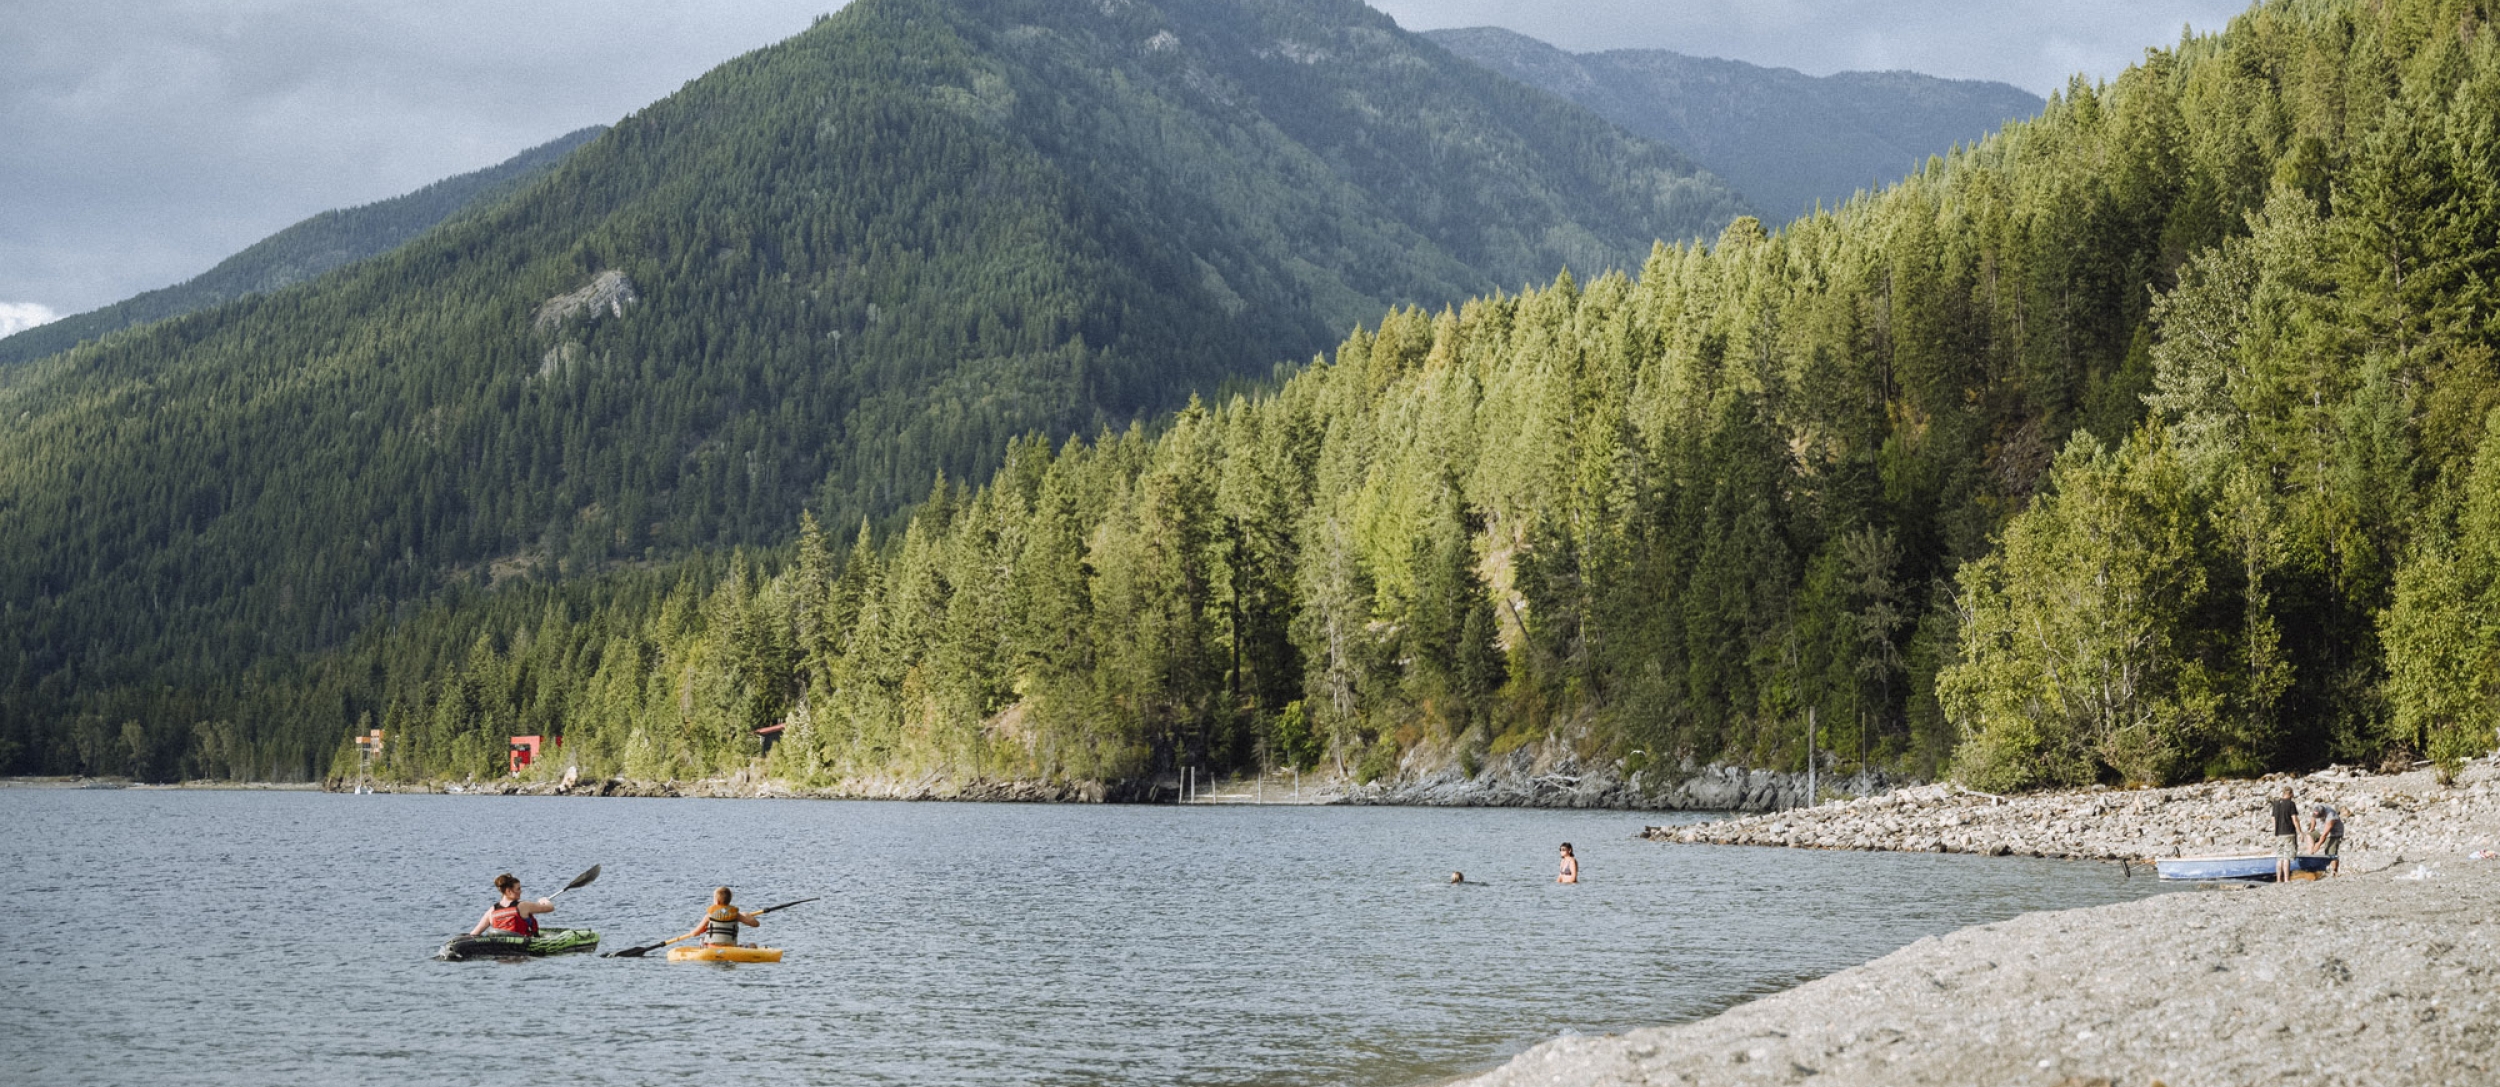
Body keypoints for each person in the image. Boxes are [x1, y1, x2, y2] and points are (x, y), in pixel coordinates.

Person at [469, 873, 555, 936]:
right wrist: (544, 900)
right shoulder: (523, 906)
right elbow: (550, 908)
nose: (521, 891)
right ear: (509, 891)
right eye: (518, 889)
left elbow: (474, 933)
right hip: (522, 952)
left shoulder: (492, 911)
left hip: (501, 957)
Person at [679, 886, 760, 947]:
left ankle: (704, 944)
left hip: (712, 947)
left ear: (717, 902)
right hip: (730, 947)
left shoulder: (709, 916)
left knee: (702, 940)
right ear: (729, 900)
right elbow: (756, 924)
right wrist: (746, 915)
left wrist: (697, 931)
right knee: (753, 945)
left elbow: (694, 933)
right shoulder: (737, 915)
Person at [2269, 786, 2300, 882]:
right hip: (2289, 832)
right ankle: (2286, 879)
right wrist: (2300, 832)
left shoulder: (2276, 804)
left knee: (2279, 857)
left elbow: (2273, 819)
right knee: (2286, 857)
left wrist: (2276, 829)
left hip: (2279, 833)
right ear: (2290, 793)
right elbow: (2294, 819)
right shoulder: (2291, 804)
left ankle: (2279, 879)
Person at [2310, 802, 2345, 876]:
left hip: (2334, 833)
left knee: (2330, 852)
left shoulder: (2331, 817)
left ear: (2323, 815)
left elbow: (2325, 834)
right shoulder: (2316, 808)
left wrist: (2318, 845)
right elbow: (2313, 817)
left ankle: (2334, 871)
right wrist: (2312, 828)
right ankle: (2310, 855)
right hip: (2321, 829)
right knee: (2310, 835)